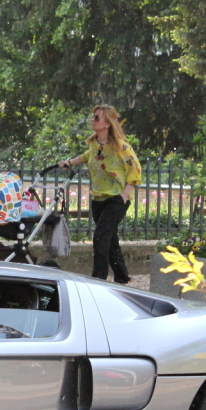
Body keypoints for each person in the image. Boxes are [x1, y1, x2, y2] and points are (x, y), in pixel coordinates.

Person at [58, 104, 141, 284]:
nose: (93, 120)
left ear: (107, 124)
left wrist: (125, 195)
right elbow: (88, 156)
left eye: (97, 118)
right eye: (93, 116)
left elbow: (135, 169)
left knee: (100, 236)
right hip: (98, 199)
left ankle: (98, 279)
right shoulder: (95, 144)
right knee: (110, 238)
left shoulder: (121, 147)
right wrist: (69, 162)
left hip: (116, 199)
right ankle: (122, 276)